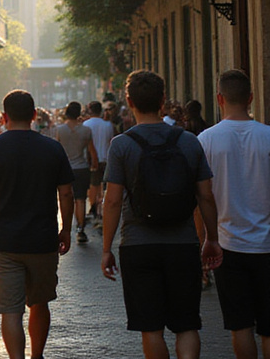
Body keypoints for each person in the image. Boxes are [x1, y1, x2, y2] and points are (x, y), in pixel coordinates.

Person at [101, 69, 222, 359]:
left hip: (138, 245)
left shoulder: (122, 145)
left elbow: (113, 202)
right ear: (163, 100)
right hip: (182, 244)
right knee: (187, 325)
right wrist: (212, 239)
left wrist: (106, 248)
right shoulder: (189, 141)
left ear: (129, 101)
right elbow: (205, 195)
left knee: (151, 329)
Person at [0, 89, 74, 359]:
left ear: (4, 117)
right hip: (42, 238)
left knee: (10, 310)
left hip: (3, 240)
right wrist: (67, 229)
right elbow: (67, 193)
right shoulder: (52, 147)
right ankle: (37, 356)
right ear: (34, 115)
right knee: (40, 303)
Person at [198, 69, 270, 359]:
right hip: (267, 246)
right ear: (250, 98)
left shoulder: (205, 141)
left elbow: (202, 197)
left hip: (227, 245)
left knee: (240, 326)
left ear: (219, 99)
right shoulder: (268, 137)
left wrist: (204, 239)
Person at [53, 100, 98, 243]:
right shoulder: (86, 131)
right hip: (81, 167)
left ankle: (65, 226)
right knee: (80, 199)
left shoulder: (60, 130)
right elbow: (91, 151)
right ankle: (80, 228)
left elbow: (56, 150)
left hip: (64, 168)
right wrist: (94, 164)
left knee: (64, 197)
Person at [83, 100, 115, 224]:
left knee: (93, 185)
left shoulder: (86, 125)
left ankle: (94, 207)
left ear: (90, 110)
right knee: (104, 186)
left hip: (91, 159)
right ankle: (101, 207)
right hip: (106, 158)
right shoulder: (108, 125)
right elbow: (110, 140)